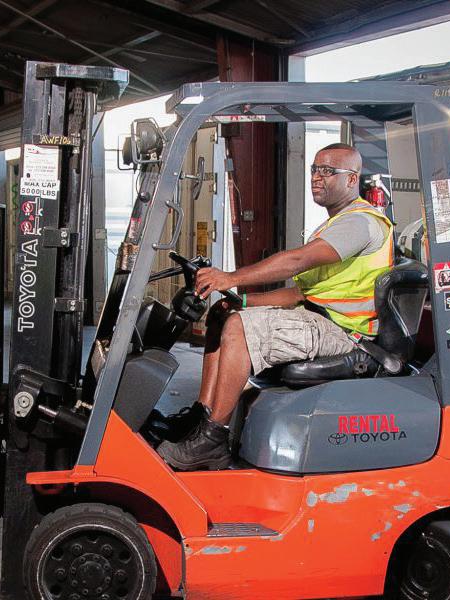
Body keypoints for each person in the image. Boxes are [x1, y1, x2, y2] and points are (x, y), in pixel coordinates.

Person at [157, 143, 394, 470]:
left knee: (241, 327)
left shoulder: (360, 222)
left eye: (328, 171)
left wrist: (231, 277)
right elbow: (299, 295)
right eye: (314, 169)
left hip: (345, 333)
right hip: (318, 320)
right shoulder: (336, 224)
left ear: (352, 179)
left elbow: (297, 261)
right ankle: (201, 417)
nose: (317, 177)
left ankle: (213, 438)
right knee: (225, 315)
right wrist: (238, 300)